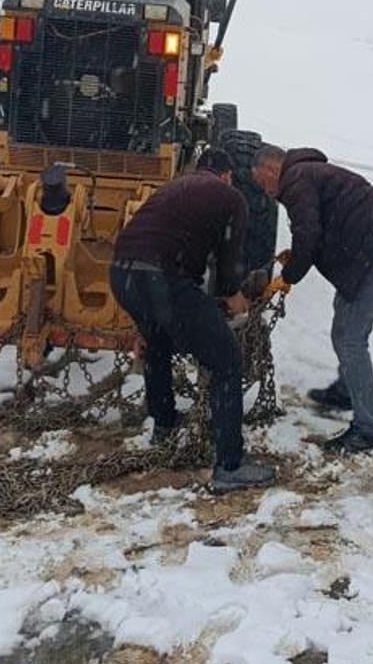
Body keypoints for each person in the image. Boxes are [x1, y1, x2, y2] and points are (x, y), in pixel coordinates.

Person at [110, 147, 275, 493]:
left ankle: (164, 426)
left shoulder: (172, 189)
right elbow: (229, 265)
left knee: (157, 344)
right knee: (227, 360)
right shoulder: (231, 198)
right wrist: (236, 297)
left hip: (122, 274)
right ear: (227, 175)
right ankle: (229, 466)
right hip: (163, 279)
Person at [253, 146, 373, 453]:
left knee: (351, 336)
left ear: (272, 169)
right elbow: (317, 229)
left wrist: (288, 276)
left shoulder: (295, 178)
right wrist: (298, 256)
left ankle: (368, 430)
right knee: (344, 325)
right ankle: (347, 389)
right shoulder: (306, 174)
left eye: (263, 184)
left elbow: (309, 233)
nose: (267, 193)